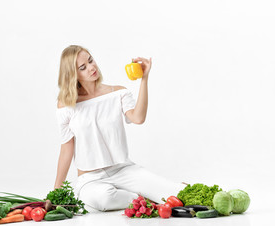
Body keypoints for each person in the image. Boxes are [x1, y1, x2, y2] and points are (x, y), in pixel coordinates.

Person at [54, 45, 183, 211]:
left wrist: (144, 79)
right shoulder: (66, 105)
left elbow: (138, 118)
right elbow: (67, 147)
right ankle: (143, 199)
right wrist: (56, 190)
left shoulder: (117, 93)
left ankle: (148, 194)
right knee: (105, 198)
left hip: (123, 170)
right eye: (83, 67)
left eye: (91, 60)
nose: (92, 67)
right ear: (73, 74)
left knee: (176, 193)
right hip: (90, 179)